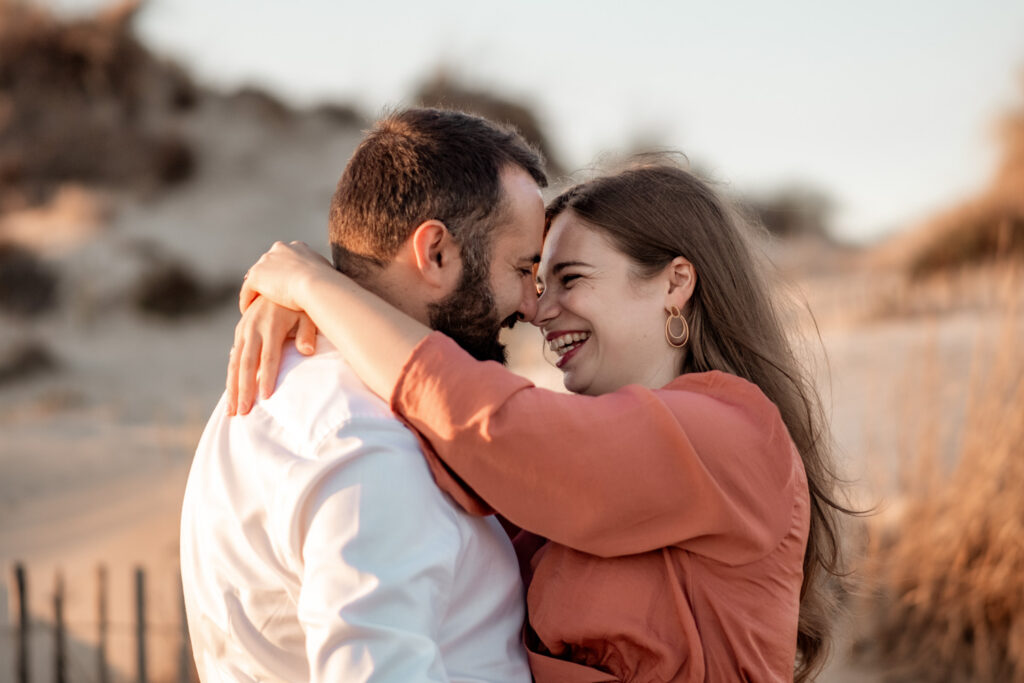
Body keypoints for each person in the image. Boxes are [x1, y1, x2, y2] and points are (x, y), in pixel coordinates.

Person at [230, 158, 851, 682]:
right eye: (534, 279)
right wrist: (310, 316)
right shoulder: (570, 464)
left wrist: (319, 290)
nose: (538, 309)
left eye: (569, 279)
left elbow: (488, 423)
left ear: (675, 283)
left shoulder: (734, 432)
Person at [180, 107, 548, 682]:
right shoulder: (370, 440)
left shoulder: (285, 389)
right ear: (436, 253)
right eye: (523, 269)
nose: (531, 305)